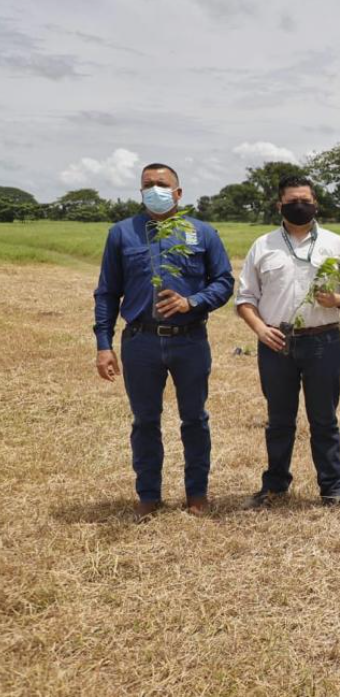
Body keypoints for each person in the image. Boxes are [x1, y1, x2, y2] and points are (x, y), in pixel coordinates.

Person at [94, 163, 234, 520]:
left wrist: (193, 301)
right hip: (141, 341)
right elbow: (108, 292)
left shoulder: (201, 233)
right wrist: (103, 343)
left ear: (178, 192)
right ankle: (148, 494)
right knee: (144, 420)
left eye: (161, 184)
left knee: (195, 419)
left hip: (189, 340)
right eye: (147, 185)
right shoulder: (122, 234)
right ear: (140, 191)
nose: (154, 189)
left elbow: (223, 282)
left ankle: (196, 493)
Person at [236, 175, 340, 508]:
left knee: (324, 418)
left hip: (323, 341)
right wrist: (260, 330)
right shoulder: (263, 245)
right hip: (275, 341)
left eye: (306, 200)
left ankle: (332, 489)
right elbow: (244, 298)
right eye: (293, 201)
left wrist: (339, 301)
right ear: (279, 205)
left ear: (316, 204)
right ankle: (275, 485)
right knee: (279, 419)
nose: (300, 206)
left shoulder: (335, 244)